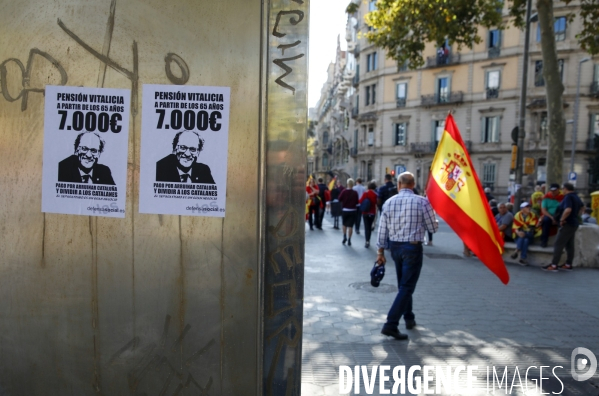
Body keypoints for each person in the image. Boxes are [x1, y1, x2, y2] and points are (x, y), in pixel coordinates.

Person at [376, 172, 438, 340]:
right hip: (412, 247)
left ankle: (409, 317)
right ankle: (390, 324)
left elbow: (382, 230)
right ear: (413, 184)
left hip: (395, 248)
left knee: (404, 285)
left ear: (398, 185)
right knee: (407, 287)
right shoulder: (422, 202)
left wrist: (380, 251)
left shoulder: (389, 203)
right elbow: (433, 228)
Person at [542, 183, 584, 272]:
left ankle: (554, 265)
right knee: (569, 245)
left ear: (565, 189)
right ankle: (568, 264)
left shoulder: (568, 197)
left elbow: (568, 209)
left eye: (563, 189)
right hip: (574, 223)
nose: (562, 191)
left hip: (567, 224)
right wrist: (576, 216)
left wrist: (562, 219)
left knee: (558, 244)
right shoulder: (576, 196)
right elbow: (582, 207)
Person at [539, 183, 565, 247]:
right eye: (551, 190)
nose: (553, 192)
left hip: (560, 215)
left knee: (563, 224)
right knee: (546, 221)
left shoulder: (563, 197)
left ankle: (561, 242)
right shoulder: (546, 197)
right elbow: (544, 210)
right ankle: (544, 241)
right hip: (549, 215)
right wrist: (552, 218)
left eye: (555, 190)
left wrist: (558, 217)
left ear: (558, 190)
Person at [339, 178, 359, 246]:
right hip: (353, 210)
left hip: (345, 210)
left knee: (344, 224)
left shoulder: (344, 191)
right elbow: (357, 202)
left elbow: (339, 199)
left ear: (347, 184)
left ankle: (344, 236)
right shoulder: (355, 192)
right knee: (350, 226)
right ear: (353, 184)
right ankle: (349, 240)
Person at [358, 181, 377, 248]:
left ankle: (367, 241)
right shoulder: (375, 195)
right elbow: (376, 203)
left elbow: (360, 201)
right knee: (369, 227)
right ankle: (369, 239)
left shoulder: (365, 193)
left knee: (366, 227)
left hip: (365, 212)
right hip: (372, 213)